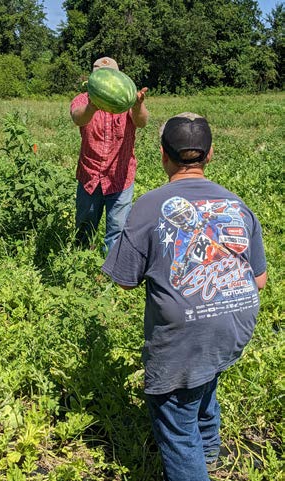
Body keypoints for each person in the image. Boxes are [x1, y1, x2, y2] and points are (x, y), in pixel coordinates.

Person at [102, 112, 267, 481]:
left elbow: (126, 281)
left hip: (185, 334)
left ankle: (194, 464)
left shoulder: (147, 206)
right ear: (210, 156)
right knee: (205, 376)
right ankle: (210, 450)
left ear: (163, 155)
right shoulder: (236, 203)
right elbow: (260, 280)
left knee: (175, 419)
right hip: (236, 321)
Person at [70, 57, 149, 252]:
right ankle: (81, 261)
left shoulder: (126, 100)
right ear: (93, 79)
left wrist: (137, 105)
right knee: (84, 226)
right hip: (90, 176)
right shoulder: (82, 99)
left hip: (120, 176)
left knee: (118, 228)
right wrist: (92, 105)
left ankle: (112, 271)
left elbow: (142, 122)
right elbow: (78, 118)